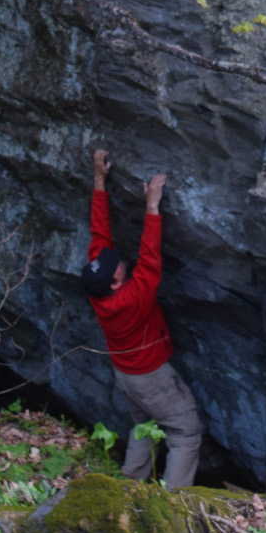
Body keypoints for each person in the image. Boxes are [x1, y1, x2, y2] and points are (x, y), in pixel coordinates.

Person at [82, 148, 203, 488]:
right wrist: (152, 206)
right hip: (151, 377)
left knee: (143, 426)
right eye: (115, 266)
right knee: (184, 432)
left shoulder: (99, 288)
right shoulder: (133, 298)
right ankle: (173, 503)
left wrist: (99, 180)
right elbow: (149, 259)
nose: (115, 258)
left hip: (125, 376)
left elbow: (99, 235)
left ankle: (129, 486)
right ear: (116, 282)